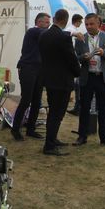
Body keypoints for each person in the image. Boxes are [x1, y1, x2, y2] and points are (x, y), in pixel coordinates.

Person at [37, 9, 81, 156]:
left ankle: (52, 139)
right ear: (65, 20)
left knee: (53, 112)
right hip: (62, 81)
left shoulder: (44, 35)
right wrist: (78, 72)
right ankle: (49, 146)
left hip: (49, 80)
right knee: (57, 114)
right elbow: (71, 58)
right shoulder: (63, 37)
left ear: (55, 18)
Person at [73, 13, 105, 148]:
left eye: (91, 24)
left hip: (102, 78)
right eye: (86, 24)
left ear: (99, 23)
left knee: (103, 109)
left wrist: (104, 53)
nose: (88, 27)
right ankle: (82, 136)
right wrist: (83, 57)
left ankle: (104, 138)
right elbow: (76, 57)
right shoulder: (81, 38)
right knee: (84, 108)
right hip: (87, 77)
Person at [11, 12, 51, 142]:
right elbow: (47, 34)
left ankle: (31, 129)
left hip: (39, 70)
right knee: (26, 99)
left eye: (49, 22)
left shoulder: (43, 35)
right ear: (38, 22)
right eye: (46, 22)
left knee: (36, 100)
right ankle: (15, 129)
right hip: (28, 68)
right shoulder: (33, 31)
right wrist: (70, 33)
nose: (48, 24)